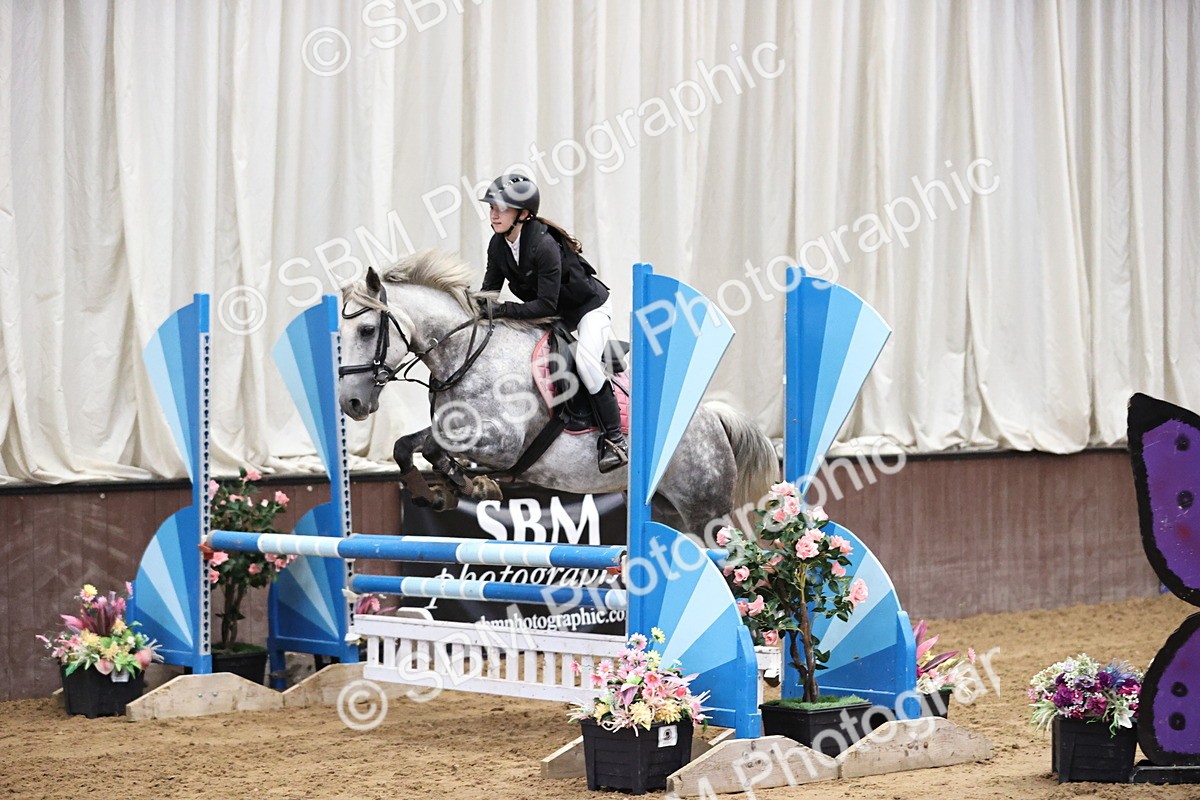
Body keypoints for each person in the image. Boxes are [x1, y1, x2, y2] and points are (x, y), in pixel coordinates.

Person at [477, 173, 629, 473]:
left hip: (588, 309)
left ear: (523, 214)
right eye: (492, 206)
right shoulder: (497, 246)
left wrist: (501, 309)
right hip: (555, 314)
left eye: (502, 208)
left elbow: (544, 305)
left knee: (585, 363)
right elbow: (489, 293)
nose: (494, 214)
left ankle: (614, 440)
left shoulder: (543, 246)